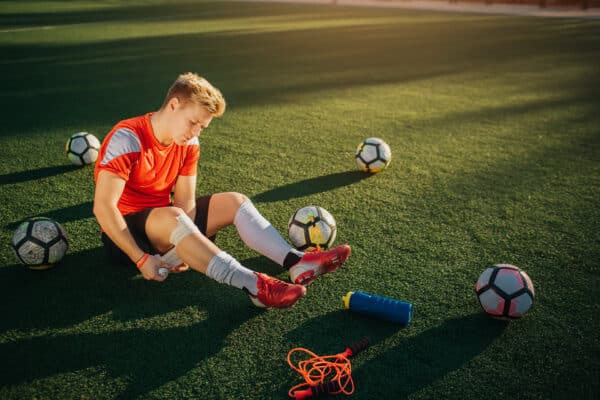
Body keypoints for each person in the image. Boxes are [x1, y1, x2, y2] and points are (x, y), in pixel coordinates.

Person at [93, 72, 351, 309]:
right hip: (124, 238)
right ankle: (255, 285)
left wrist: (185, 245)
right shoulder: (128, 138)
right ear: (173, 105)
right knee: (173, 217)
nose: (195, 132)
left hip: (165, 225)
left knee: (235, 202)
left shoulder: (189, 142)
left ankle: (296, 261)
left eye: (202, 127)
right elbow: (104, 208)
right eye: (192, 122)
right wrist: (140, 258)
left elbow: (185, 201)